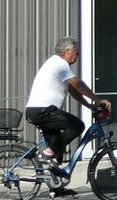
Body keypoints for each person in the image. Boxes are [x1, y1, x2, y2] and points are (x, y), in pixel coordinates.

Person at [25, 37, 111, 189]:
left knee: (57, 148)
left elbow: (73, 89)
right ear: (67, 52)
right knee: (77, 125)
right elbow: (77, 83)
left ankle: (56, 187)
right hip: (42, 111)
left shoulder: (57, 65)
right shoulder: (58, 63)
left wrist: (89, 105)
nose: (77, 56)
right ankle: (46, 154)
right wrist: (98, 100)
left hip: (40, 110)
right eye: (76, 53)